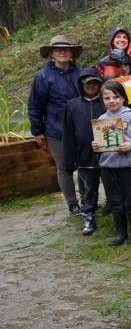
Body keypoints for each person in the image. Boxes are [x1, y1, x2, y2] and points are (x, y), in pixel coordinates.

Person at [93, 80, 131, 246]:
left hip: (128, 166)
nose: (112, 101)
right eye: (107, 98)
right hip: (107, 167)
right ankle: (120, 233)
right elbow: (101, 142)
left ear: (123, 98)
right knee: (115, 201)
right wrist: (96, 146)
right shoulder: (101, 119)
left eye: (116, 97)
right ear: (102, 100)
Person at [28, 34, 84, 215]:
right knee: (64, 167)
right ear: (51, 54)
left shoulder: (80, 73)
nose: (62, 52)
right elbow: (35, 106)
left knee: (85, 164)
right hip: (56, 130)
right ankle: (72, 203)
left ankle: (87, 200)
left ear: (72, 53)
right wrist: (37, 131)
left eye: (66, 49)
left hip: (81, 128)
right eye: (58, 49)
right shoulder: (43, 77)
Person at [62, 69, 105, 235]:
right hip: (84, 155)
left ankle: (116, 212)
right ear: (81, 85)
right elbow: (68, 134)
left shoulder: (107, 102)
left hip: (108, 155)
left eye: (95, 82)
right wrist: (69, 159)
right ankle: (88, 216)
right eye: (87, 83)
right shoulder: (72, 106)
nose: (91, 85)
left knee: (113, 185)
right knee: (87, 188)